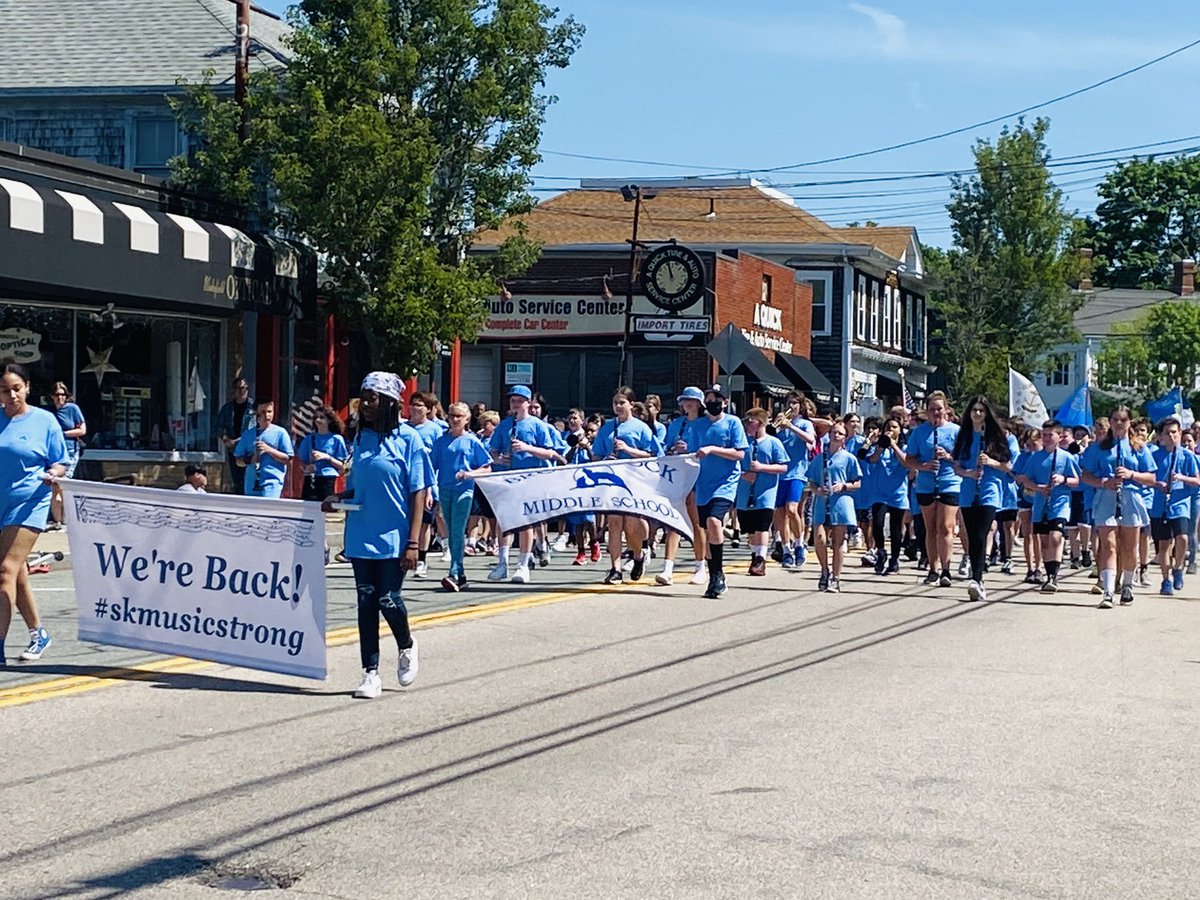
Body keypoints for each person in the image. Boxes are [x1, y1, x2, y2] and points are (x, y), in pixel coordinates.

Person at [323, 372, 431, 699]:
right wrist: (339, 497)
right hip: (360, 534)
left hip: (395, 537)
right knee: (366, 602)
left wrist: (414, 543)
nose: (365, 405)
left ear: (388, 402)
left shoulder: (410, 439)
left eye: (371, 398)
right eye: (363, 397)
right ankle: (370, 673)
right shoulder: (362, 439)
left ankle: (407, 645)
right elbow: (364, 485)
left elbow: (417, 492)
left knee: (388, 598)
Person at [0, 363, 67, 664]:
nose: (12, 394)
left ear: (27, 387)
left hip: (30, 502)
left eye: (16, 388)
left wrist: (54, 472)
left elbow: (60, 461)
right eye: (5, 390)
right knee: (18, 573)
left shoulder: (45, 421)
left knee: (5, 571)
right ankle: (38, 632)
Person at [487, 385, 566, 584]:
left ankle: (523, 563)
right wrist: (499, 459)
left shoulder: (538, 426)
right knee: (504, 521)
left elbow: (550, 453)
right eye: (512, 400)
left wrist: (527, 448)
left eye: (519, 400)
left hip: (530, 479)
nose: (515, 403)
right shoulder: (505, 425)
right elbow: (493, 450)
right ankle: (502, 563)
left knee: (526, 521)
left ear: (528, 403)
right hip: (508, 478)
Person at [1081, 407, 1156, 608]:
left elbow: (1151, 477)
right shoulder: (1099, 447)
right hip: (1106, 497)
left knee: (1129, 546)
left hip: (1131, 497)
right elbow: (1085, 475)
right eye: (1115, 419)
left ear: (1129, 422)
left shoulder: (1139, 447)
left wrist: (1132, 475)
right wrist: (1103, 482)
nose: (1119, 423)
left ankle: (1128, 585)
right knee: (1109, 545)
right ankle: (1108, 591)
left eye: (1123, 420)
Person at [592, 386, 664, 585]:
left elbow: (654, 454)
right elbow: (596, 454)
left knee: (631, 526)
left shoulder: (641, 428)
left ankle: (638, 554)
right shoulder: (607, 428)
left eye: (622, 403)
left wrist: (629, 450)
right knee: (614, 523)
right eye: (615, 403)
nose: (618, 406)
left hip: (634, 481)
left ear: (632, 404)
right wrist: (603, 459)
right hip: (613, 482)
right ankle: (615, 568)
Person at [952, 397, 1015, 601]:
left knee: (982, 532)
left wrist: (991, 462)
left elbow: (1009, 466)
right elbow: (957, 466)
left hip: (990, 489)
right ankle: (977, 578)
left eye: (981, 410)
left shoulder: (997, 437)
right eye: (974, 410)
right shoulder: (965, 436)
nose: (977, 414)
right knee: (972, 536)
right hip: (969, 490)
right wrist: (969, 473)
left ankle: (977, 578)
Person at [694, 384, 749, 599]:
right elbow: (692, 452)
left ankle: (717, 573)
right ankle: (713, 574)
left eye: (717, 399)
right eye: (708, 399)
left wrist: (713, 449)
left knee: (715, 522)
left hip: (726, 482)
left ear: (725, 402)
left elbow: (740, 454)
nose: (712, 402)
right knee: (708, 529)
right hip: (703, 483)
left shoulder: (733, 423)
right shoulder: (698, 426)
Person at [431, 402, 492, 592]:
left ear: (467, 419)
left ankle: (454, 572)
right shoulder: (441, 441)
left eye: (459, 416)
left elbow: (487, 467)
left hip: (464, 490)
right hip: (445, 488)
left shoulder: (472, 441)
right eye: (452, 416)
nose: (455, 419)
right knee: (449, 529)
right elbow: (431, 466)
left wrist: (471, 473)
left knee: (458, 529)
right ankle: (461, 574)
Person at [904, 391, 962, 588]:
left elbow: (965, 459)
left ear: (946, 410)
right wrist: (922, 466)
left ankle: (946, 569)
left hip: (949, 482)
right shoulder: (919, 433)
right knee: (930, 528)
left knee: (945, 526)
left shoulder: (956, 431)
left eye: (939, 409)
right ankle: (932, 568)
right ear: (927, 412)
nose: (936, 413)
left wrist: (948, 456)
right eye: (932, 410)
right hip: (926, 484)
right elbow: (909, 459)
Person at [1020, 420, 1081, 593]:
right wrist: (1038, 487)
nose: (1046, 438)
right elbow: (1025, 479)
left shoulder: (1066, 457)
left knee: (1055, 537)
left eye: (1050, 435)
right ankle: (1049, 575)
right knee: (1045, 541)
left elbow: (1077, 480)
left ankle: (1054, 576)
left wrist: (1064, 480)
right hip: (1040, 504)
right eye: (1044, 435)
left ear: (1059, 436)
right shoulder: (1035, 457)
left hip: (1060, 503)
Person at [659, 387, 707, 586]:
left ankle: (700, 566)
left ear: (699, 404)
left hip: (698, 477)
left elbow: (706, 450)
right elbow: (664, 448)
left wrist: (691, 450)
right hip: (678, 477)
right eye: (685, 400)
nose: (688, 403)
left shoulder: (705, 425)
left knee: (697, 523)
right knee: (674, 522)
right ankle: (667, 568)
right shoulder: (677, 424)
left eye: (692, 400)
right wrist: (672, 449)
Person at [808, 420, 862, 592]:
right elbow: (812, 481)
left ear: (844, 438)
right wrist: (817, 490)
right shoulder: (819, 458)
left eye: (840, 433)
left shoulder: (849, 458)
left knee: (839, 542)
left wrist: (844, 486)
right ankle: (824, 569)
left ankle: (836, 578)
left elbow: (857, 482)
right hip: (822, 502)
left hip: (841, 502)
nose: (836, 435)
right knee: (819, 538)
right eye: (834, 432)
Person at [1150, 417, 1199, 596]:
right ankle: (1165, 580)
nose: (1171, 436)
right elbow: (1147, 479)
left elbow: (1197, 480)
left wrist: (1181, 478)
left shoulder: (1187, 456)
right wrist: (1157, 484)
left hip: (1180, 504)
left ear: (1179, 433)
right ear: (1161, 436)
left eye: (1174, 432)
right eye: (1167, 433)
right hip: (1159, 506)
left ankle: (1178, 567)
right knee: (1164, 545)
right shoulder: (1155, 455)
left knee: (1183, 538)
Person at [736, 408, 789, 576]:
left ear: (760, 423)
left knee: (762, 526)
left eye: (749, 421)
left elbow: (783, 466)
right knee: (750, 529)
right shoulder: (743, 443)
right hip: (745, 492)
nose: (746, 425)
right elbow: (735, 464)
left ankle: (760, 559)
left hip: (765, 492)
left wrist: (761, 468)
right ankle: (754, 555)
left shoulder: (773, 443)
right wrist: (744, 474)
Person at [772, 392, 817, 569]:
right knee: (780, 512)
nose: (792, 406)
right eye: (789, 403)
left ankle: (799, 544)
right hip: (780, 473)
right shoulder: (780, 424)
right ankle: (786, 549)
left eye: (795, 403)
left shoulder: (805, 424)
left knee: (792, 509)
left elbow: (811, 440)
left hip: (798, 472)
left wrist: (790, 426)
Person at [866, 416, 909, 576]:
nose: (891, 430)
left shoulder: (905, 446)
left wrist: (893, 446)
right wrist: (880, 447)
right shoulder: (879, 446)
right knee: (877, 523)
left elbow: (906, 463)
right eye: (888, 427)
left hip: (897, 492)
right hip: (879, 492)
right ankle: (881, 551)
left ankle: (894, 559)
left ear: (899, 430)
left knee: (896, 528)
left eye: (894, 427)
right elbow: (872, 460)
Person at [233, 398, 294, 498]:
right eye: (263, 412)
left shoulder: (280, 433)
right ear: (256, 414)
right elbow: (238, 460)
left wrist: (269, 450)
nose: (267, 416)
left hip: (272, 484)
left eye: (270, 411)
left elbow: (288, 459)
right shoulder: (248, 434)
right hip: (251, 484)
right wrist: (249, 460)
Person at [47, 381, 85, 528]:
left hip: (69, 451)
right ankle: (57, 521)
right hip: (52, 452)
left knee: (63, 485)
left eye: (63, 394)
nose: (60, 397)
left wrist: (61, 434)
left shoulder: (73, 409)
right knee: (54, 486)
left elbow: (82, 430)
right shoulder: (49, 412)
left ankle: (66, 520)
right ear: (51, 396)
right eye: (57, 394)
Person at [297, 406, 348, 503]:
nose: (317, 420)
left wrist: (328, 458)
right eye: (316, 417)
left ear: (329, 420)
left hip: (329, 479)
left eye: (321, 417)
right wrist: (306, 468)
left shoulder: (337, 439)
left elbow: (343, 466)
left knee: (326, 508)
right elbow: (301, 462)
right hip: (312, 479)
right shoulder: (309, 439)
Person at [217, 378, 254, 495]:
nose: (240, 391)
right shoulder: (227, 408)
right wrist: (225, 439)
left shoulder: (253, 408)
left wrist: (238, 440)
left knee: (248, 478)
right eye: (237, 388)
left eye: (242, 388)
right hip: (233, 449)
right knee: (236, 479)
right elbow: (219, 426)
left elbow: (254, 429)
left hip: (248, 449)